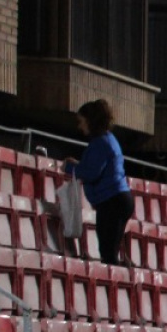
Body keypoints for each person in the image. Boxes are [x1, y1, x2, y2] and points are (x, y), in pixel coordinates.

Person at [60, 99, 133, 266]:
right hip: (118, 200)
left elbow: (92, 173)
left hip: (112, 202)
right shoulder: (108, 139)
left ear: (90, 121)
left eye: (82, 121)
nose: (80, 126)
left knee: (108, 253)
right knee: (109, 250)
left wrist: (69, 168)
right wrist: (78, 165)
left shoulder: (100, 143)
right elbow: (96, 167)